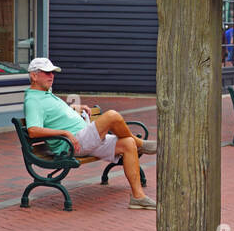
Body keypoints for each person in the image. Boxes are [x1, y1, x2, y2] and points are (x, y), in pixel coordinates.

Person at [24, 58, 156, 210]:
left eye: (53, 73)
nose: (51, 76)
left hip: (83, 138)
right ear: (34, 76)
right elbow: (33, 130)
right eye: (47, 72)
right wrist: (65, 133)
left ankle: (138, 197)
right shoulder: (33, 100)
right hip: (72, 144)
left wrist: (74, 108)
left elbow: (54, 114)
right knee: (112, 116)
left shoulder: (46, 94)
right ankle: (143, 145)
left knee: (128, 144)